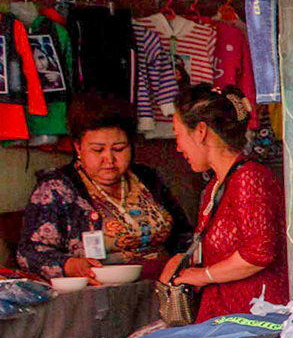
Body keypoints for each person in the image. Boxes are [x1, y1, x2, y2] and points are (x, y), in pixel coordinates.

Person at [16, 95, 189, 280]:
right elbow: (28, 252)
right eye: (98, 150)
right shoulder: (56, 189)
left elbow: (183, 235)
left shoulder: (146, 178)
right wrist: (69, 265)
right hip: (98, 295)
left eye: (119, 149)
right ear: (78, 147)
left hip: (161, 285)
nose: (109, 159)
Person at [160, 84, 288, 321]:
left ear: (200, 132)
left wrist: (203, 275)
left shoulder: (249, 177)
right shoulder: (214, 187)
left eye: (178, 135)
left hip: (252, 319)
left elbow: (258, 253)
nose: (178, 147)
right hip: (220, 316)